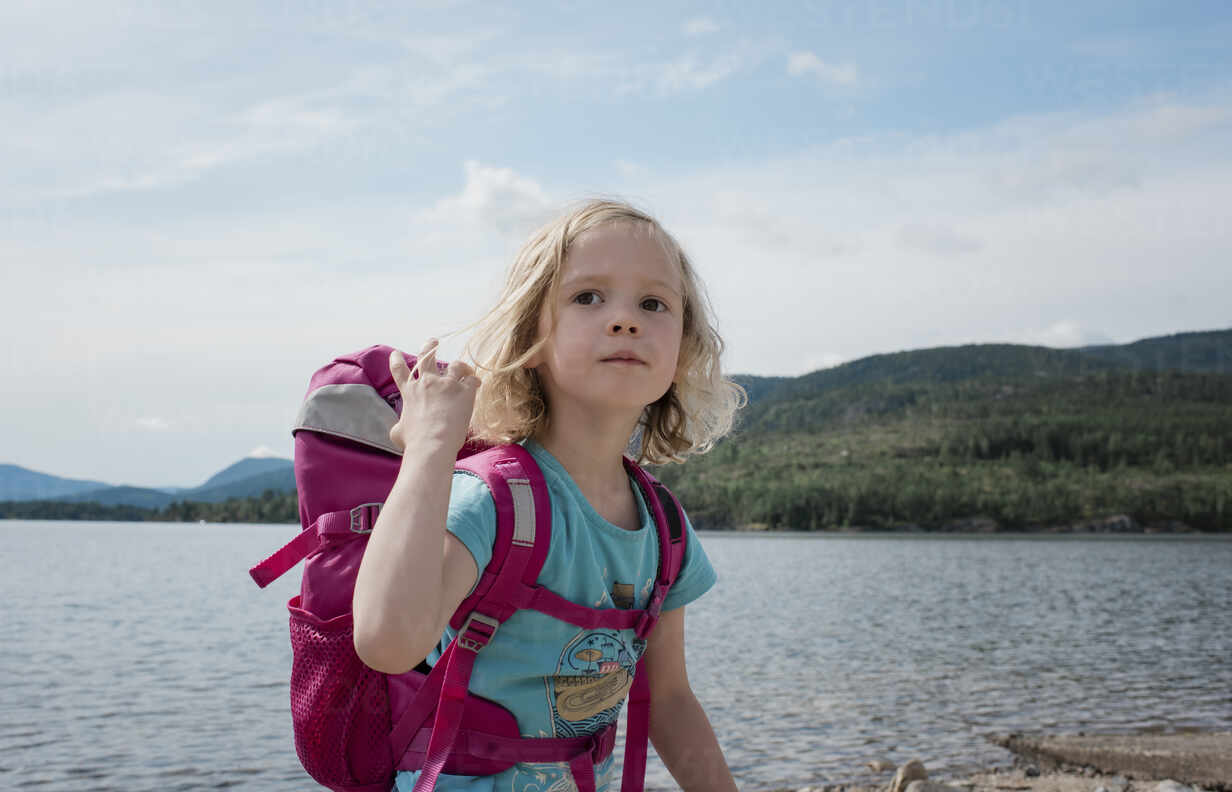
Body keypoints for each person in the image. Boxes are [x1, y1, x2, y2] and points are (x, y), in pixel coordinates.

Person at [352, 199, 745, 792]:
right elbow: (386, 642)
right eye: (588, 297)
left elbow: (668, 700)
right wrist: (430, 448)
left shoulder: (664, 527)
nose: (625, 320)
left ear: (683, 349)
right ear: (532, 334)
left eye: (653, 303)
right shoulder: (492, 500)